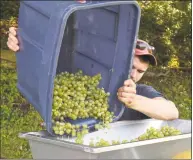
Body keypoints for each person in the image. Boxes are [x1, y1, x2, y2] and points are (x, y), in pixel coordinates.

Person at [7, 27, 179, 121]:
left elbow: (171, 112)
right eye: (131, 66)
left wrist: (135, 101)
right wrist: (24, 43)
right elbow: (47, 66)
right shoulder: (90, 84)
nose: (134, 74)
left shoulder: (141, 92)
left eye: (140, 71)